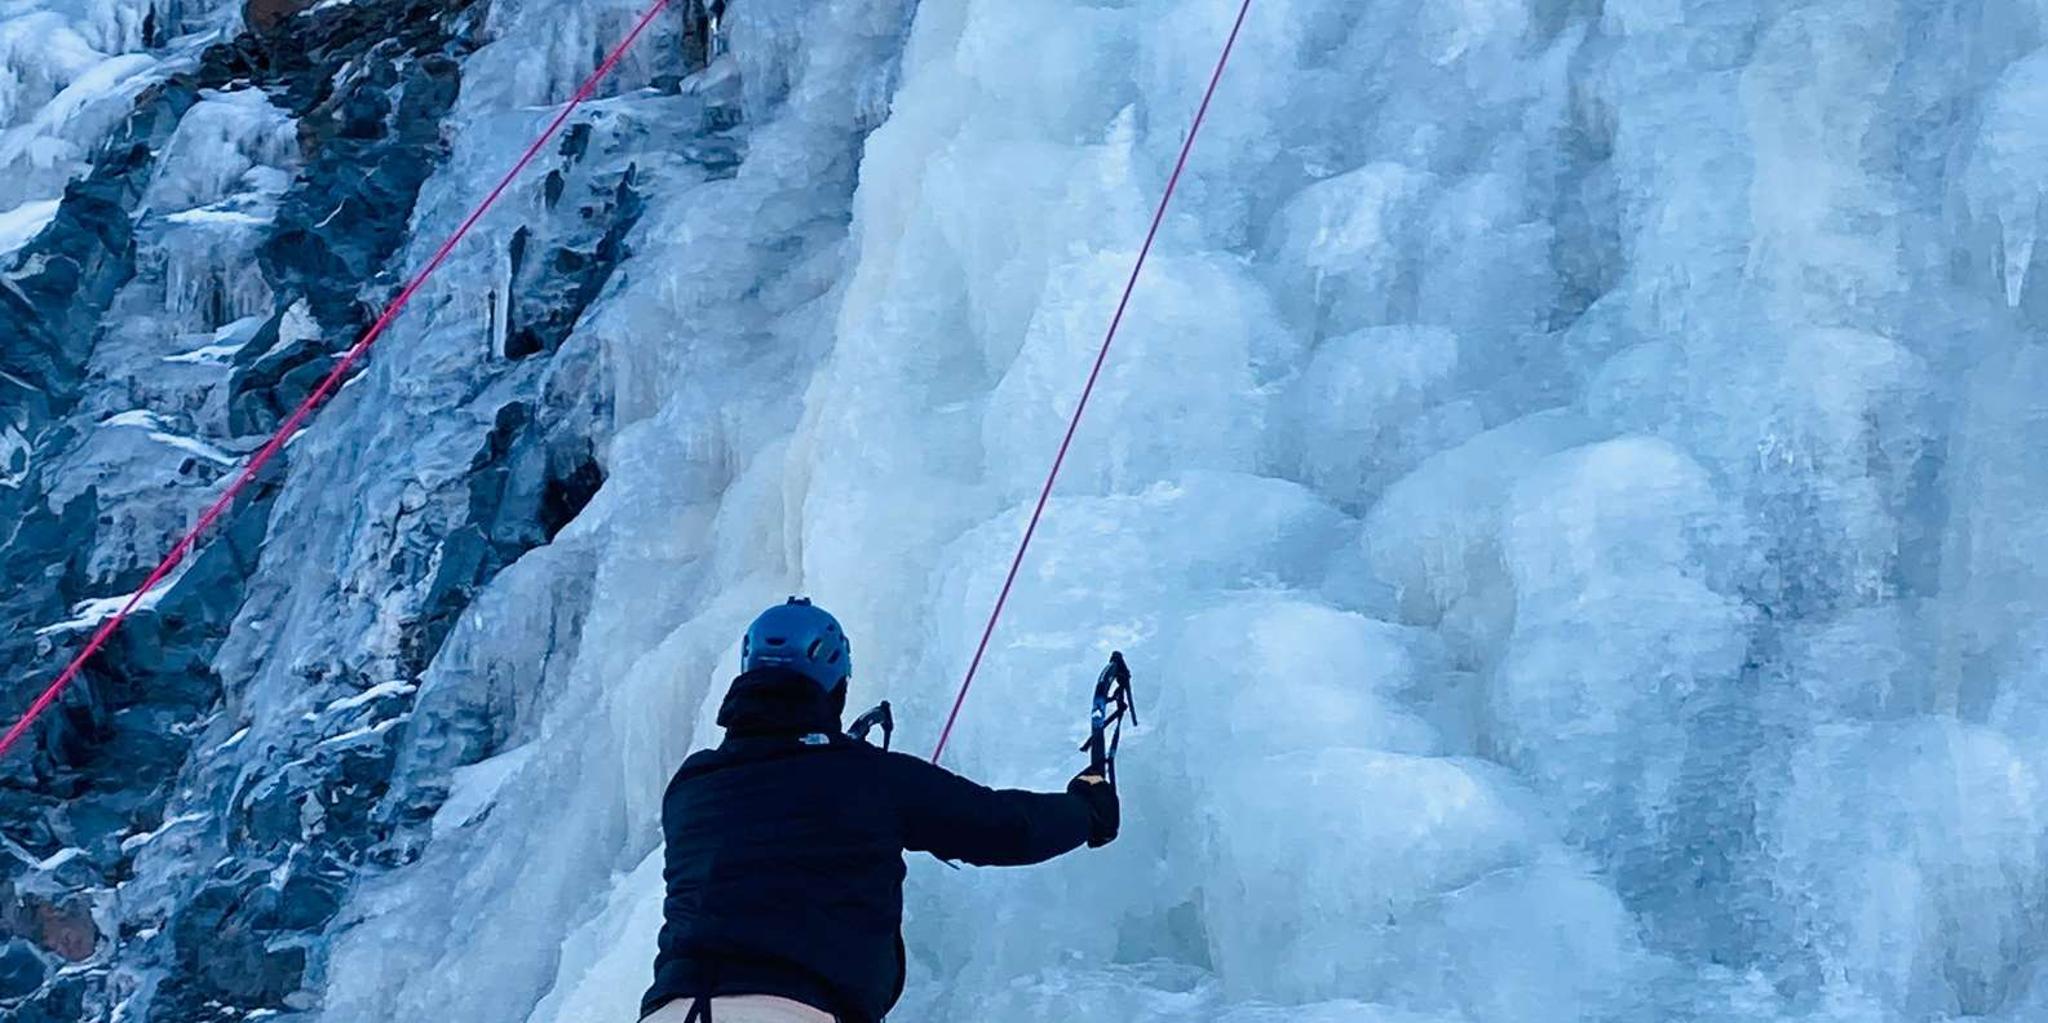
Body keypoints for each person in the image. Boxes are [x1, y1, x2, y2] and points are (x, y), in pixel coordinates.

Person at [640, 597, 1122, 1023]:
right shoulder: (868, 776)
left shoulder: (694, 783)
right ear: (836, 686)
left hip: (674, 1008)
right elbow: (1007, 828)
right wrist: (1086, 809)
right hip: (796, 1007)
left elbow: (772, 810)